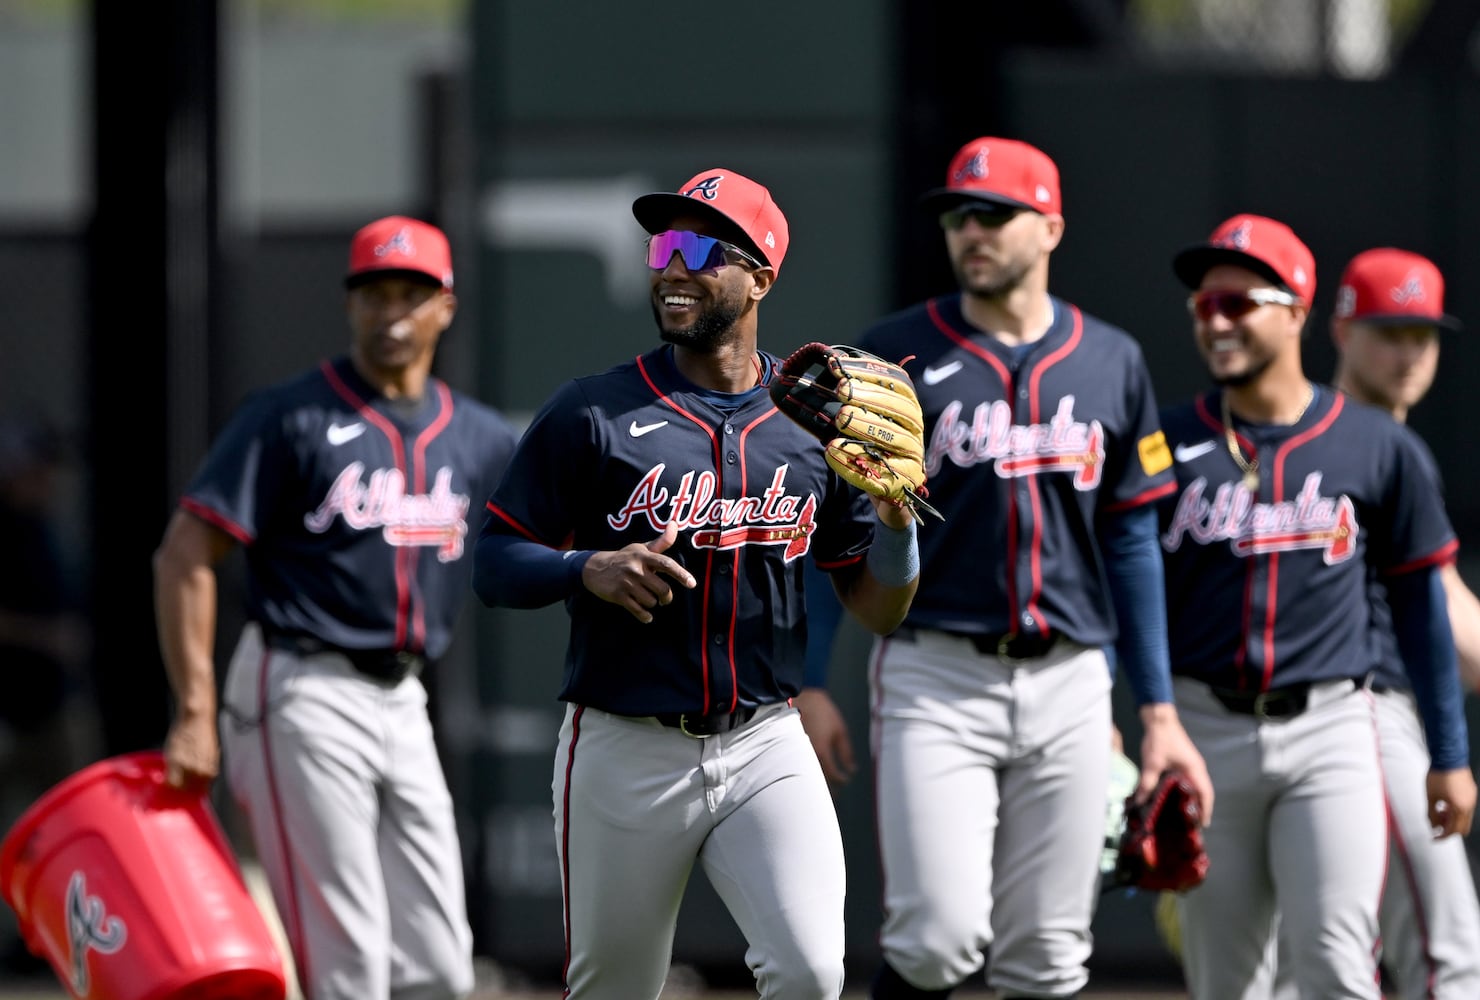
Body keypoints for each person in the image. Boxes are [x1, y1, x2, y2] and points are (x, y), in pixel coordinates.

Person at [470, 167, 922, 1000]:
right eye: (664, 244)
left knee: (814, 972)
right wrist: (584, 568)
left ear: (762, 276)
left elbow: (880, 607)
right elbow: (494, 561)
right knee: (615, 988)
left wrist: (896, 527)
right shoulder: (593, 413)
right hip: (623, 745)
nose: (674, 267)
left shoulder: (816, 423)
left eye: (703, 249)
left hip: (764, 741)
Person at [794, 135, 1212, 1000]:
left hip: (1071, 683)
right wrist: (810, 678)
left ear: (1050, 226)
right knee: (937, 940)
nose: (970, 230)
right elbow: (837, 535)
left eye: (993, 213)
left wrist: (1159, 710)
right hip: (936, 674)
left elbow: (1132, 539)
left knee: (1049, 959)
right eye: (956, 215)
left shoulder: (1113, 359)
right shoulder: (896, 355)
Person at [153, 215, 519, 1000]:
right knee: (346, 962)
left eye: (412, 296)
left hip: (403, 692)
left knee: (441, 968)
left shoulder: (481, 438)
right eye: (376, 295)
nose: (393, 315)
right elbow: (185, 551)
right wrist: (193, 707)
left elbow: (535, 546)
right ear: (350, 305)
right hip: (300, 684)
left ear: (445, 306)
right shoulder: (288, 416)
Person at [1157, 214, 1477, 998]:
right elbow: (1128, 591)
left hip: (1336, 721)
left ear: (1296, 310)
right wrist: (1136, 721)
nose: (1219, 319)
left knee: (1342, 963)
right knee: (1234, 981)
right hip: (1210, 725)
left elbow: (1429, 612)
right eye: (1207, 306)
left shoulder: (1378, 448)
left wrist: (1451, 750)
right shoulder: (1163, 444)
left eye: (1241, 303)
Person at [1260, 247, 1480, 1000]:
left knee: (1310, 964)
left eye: (1423, 334)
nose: (1408, 352)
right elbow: (1454, 628)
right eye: (1389, 330)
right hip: (1359, 713)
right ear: (1342, 330)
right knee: (1446, 950)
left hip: (1341, 721)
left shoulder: (1385, 448)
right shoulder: (1338, 441)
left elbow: (1445, 604)